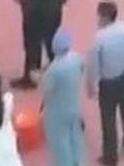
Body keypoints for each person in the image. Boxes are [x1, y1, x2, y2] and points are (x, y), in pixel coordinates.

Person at [87, 0, 124, 165]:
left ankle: (110, 156)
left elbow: (94, 65)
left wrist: (91, 87)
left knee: (108, 121)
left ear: (103, 16)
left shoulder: (99, 37)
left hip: (108, 83)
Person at [40, 28, 89, 166]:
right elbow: (81, 69)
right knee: (75, 139)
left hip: (56, 112)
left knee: (60, 145)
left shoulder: (54, 69)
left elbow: (47, 90)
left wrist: (40, 77)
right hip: (73, 106)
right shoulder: (76, 58)